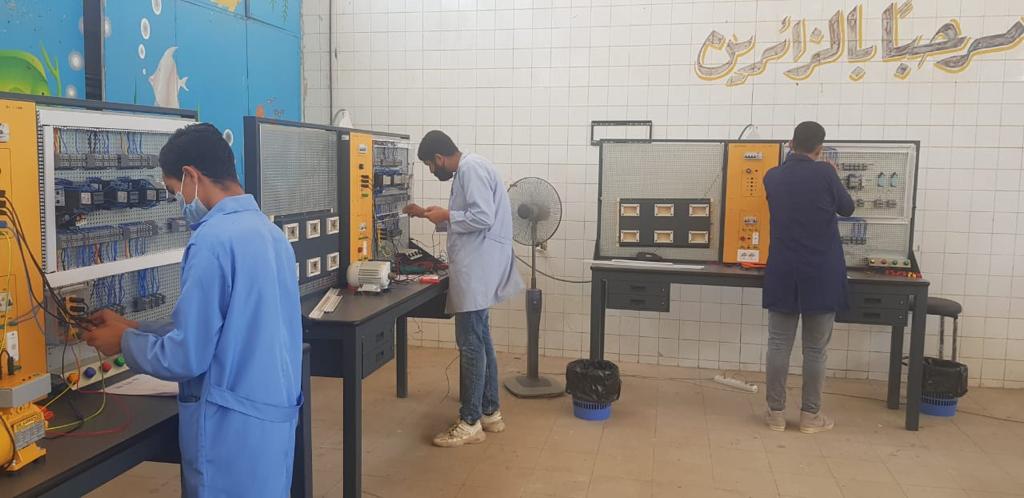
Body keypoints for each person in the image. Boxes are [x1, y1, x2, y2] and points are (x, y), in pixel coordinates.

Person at [84, 123, 303, 496]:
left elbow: (187, 357)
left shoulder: (212, 241)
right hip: (270, 421)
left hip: (229, 431)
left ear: (191, 176)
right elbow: (227, 331)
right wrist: (133, 327)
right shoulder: (270, 234)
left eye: (175, 192)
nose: (179, 201)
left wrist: (123, 343)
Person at [404, 130, 523, 448]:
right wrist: (432, 215)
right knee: (482, 341)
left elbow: (482, 217)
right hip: (479, 268)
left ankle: (470, 422)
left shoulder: (470, 168)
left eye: (430, 165)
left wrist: (448, 215)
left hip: (477, 270)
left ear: (439, 158)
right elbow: (470, 217)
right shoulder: (470, 168)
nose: (432, 171)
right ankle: (490, 412)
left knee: (471, 345)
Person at [762, 121, 854, 434]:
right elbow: (847, 208)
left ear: (790, 143)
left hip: (783, 269)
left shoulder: (772, 176)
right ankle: (810, 417)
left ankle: (775, 414)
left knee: (778, 344)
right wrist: (831, 173)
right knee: (815, 349)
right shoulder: (825, 172)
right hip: (821, 271)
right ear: (819, 148)